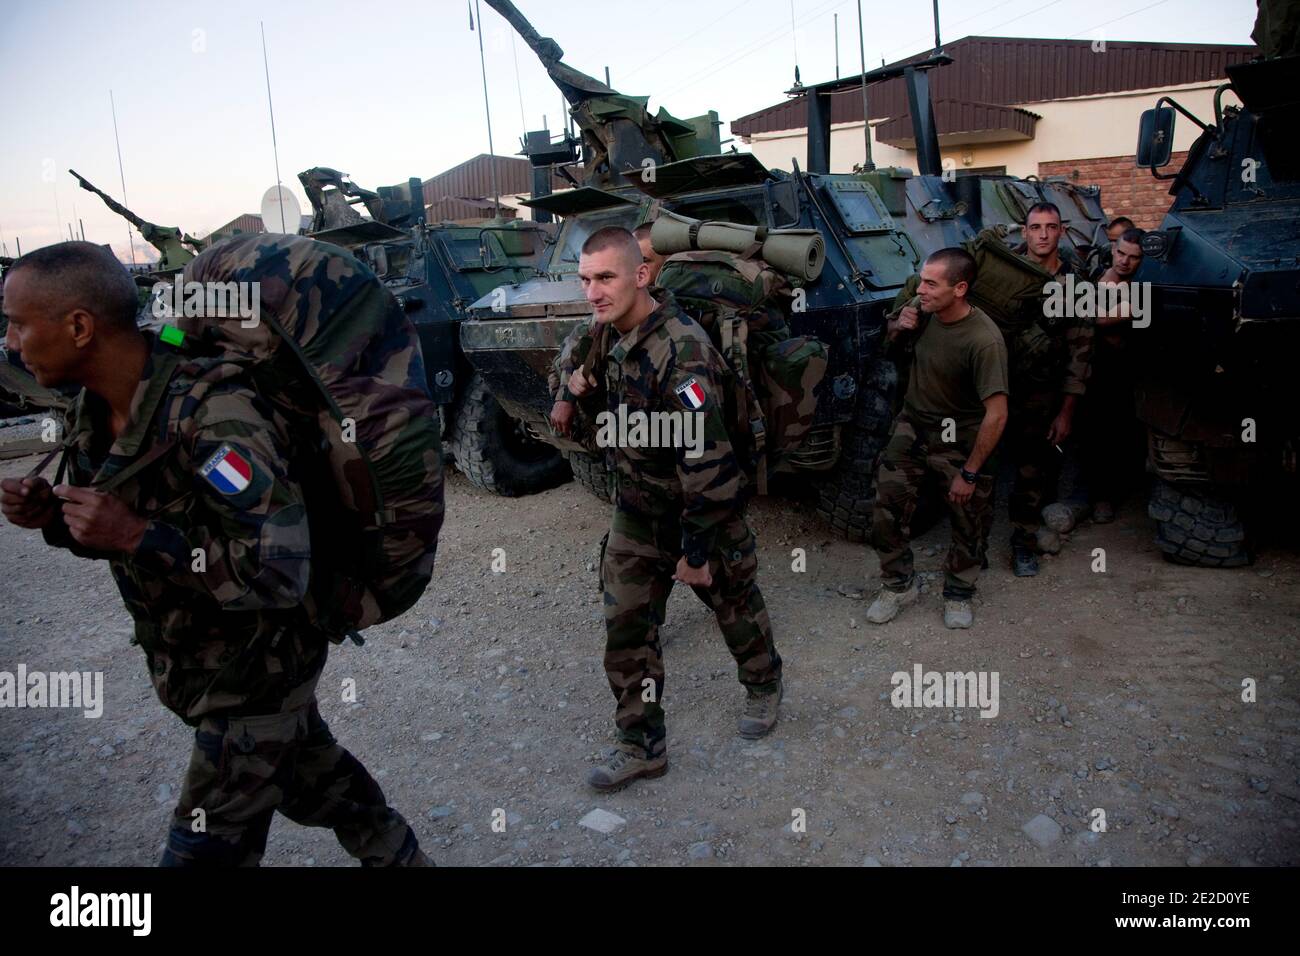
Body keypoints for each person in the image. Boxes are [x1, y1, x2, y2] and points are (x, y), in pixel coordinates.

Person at [0, 242, 429, 867]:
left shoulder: (212, 414)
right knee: (327, 790)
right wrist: (58, 519)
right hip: (200, 667)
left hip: (257, 673)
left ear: (79, 326)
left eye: (17, 323)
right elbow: (122, 524)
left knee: (203, 850)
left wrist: (137, 535)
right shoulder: (95, 411)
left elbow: (280, 571)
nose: (11, 343)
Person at [572, 226, 782, 792]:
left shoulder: (682, 350)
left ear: (641, 275)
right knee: (628, 628)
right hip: (637, 509)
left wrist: (695, 551)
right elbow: (581, 376)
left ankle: (764, 685)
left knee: (733, 605)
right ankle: (641, 743)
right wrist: (569, 394)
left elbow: (709, 464)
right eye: (586, 279)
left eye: (606, 277)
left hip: (701, 512)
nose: (593, 292)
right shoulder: (603, 331)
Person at [867, 248, 1009, 630]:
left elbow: (997, 414)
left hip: (961, 434)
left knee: (969, 517)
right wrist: (899, 326)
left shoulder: (984, 340)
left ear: (959, 288)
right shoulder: (922, 309)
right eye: (921, 279)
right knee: (886, 505)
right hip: (913, 423)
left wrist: (971, 472)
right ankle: (898, 584)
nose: (920, 289)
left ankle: (959, 590)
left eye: (931, 283)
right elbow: (889, 345)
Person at [1004, 202, 1093, 576]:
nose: (1042, 234)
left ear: (1061, 231)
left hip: (1041, 392)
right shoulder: (1003, 272)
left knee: (1032, 470)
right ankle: (969, 544)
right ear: (1024, 232)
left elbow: (1081, 351)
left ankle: (1023, 543)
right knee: (979, 466)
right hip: (994, 385)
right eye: (1035, 227)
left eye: (1050, 227)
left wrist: (1067, 411)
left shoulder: (1074, 284)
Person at [549, 221, 664, 439]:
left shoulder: (678, 338)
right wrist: (566, 395)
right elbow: (575, 344)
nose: (593, 294)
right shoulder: (610, 315)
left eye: (645, 260)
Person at [1079, 227, 1146, 522]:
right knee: (1090, 433)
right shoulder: (1095, 275)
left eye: (1133, 257)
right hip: (1086, 366)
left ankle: (1110, 496)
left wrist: (1078, 307)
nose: (1124, 261)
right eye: (1121, 253)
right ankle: (1093, 493)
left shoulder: (1142, 287)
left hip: (1121, 371)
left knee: (1118, 433)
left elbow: (1099, 318)